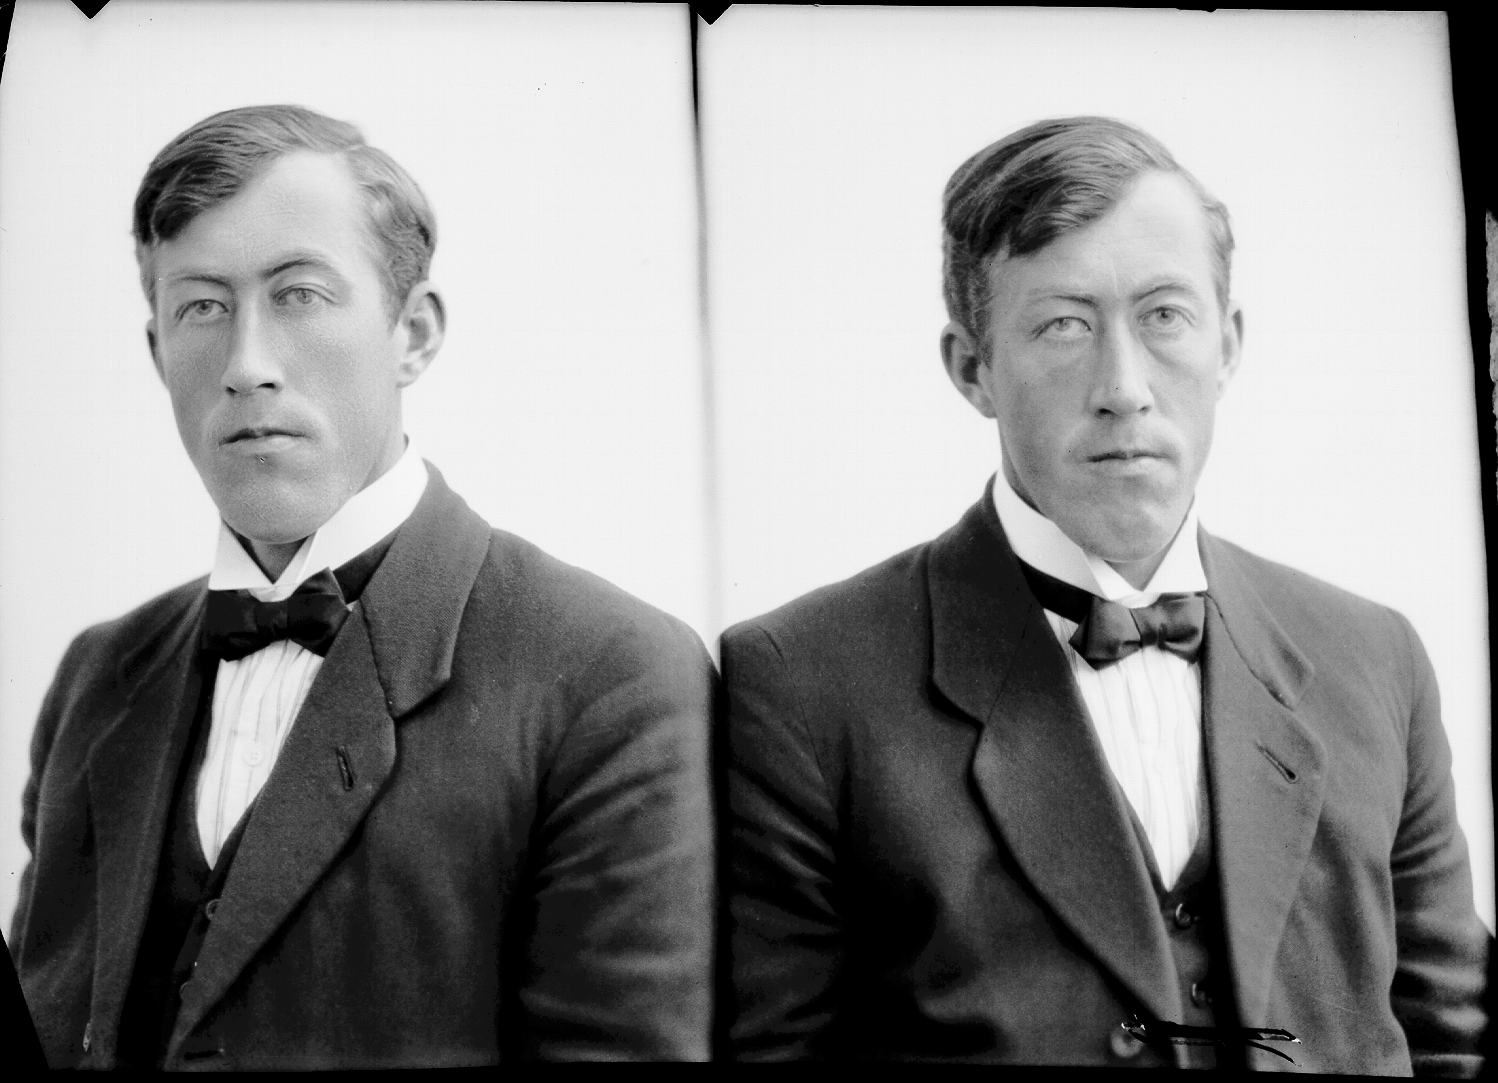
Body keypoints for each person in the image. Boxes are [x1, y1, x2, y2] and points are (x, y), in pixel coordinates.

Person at [720, 116, 1489, 1071]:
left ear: (1229, 345)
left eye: (1165, 315)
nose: (1124, 387)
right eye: (1064, 325)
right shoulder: (800, 683)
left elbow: (1455, 1044)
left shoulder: (1377, 660)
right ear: (971, 369)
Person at [9, 104, 714, 1068]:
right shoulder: (98, 677)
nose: (247, 366)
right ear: (156, 350)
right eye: (202, 307)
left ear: (412, 333)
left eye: (299, 294)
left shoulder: (613, 674)